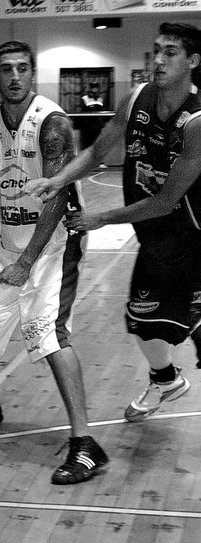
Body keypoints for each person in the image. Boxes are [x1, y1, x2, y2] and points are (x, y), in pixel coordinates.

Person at [0, 40, 108, 485]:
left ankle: (85, 444)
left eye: (22, 69)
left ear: (32, 74)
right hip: (10, 238)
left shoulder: (51, 123)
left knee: (49, 335)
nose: (14, 77)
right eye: (5, 69)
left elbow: (55, 197)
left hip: (56, 241)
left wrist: (26, 263)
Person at [27, 22, 201, 418]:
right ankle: (165, 380)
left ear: (192, 61)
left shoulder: (197, 120)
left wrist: (100, 217)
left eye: (170, 52)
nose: (158, 59)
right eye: (156, 50)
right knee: (143, 320)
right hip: (159, 238)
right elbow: (98, 151)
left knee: (192, 322)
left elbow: (167, 200)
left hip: (192, 234)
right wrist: (58, 180)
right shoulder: (137, 98)